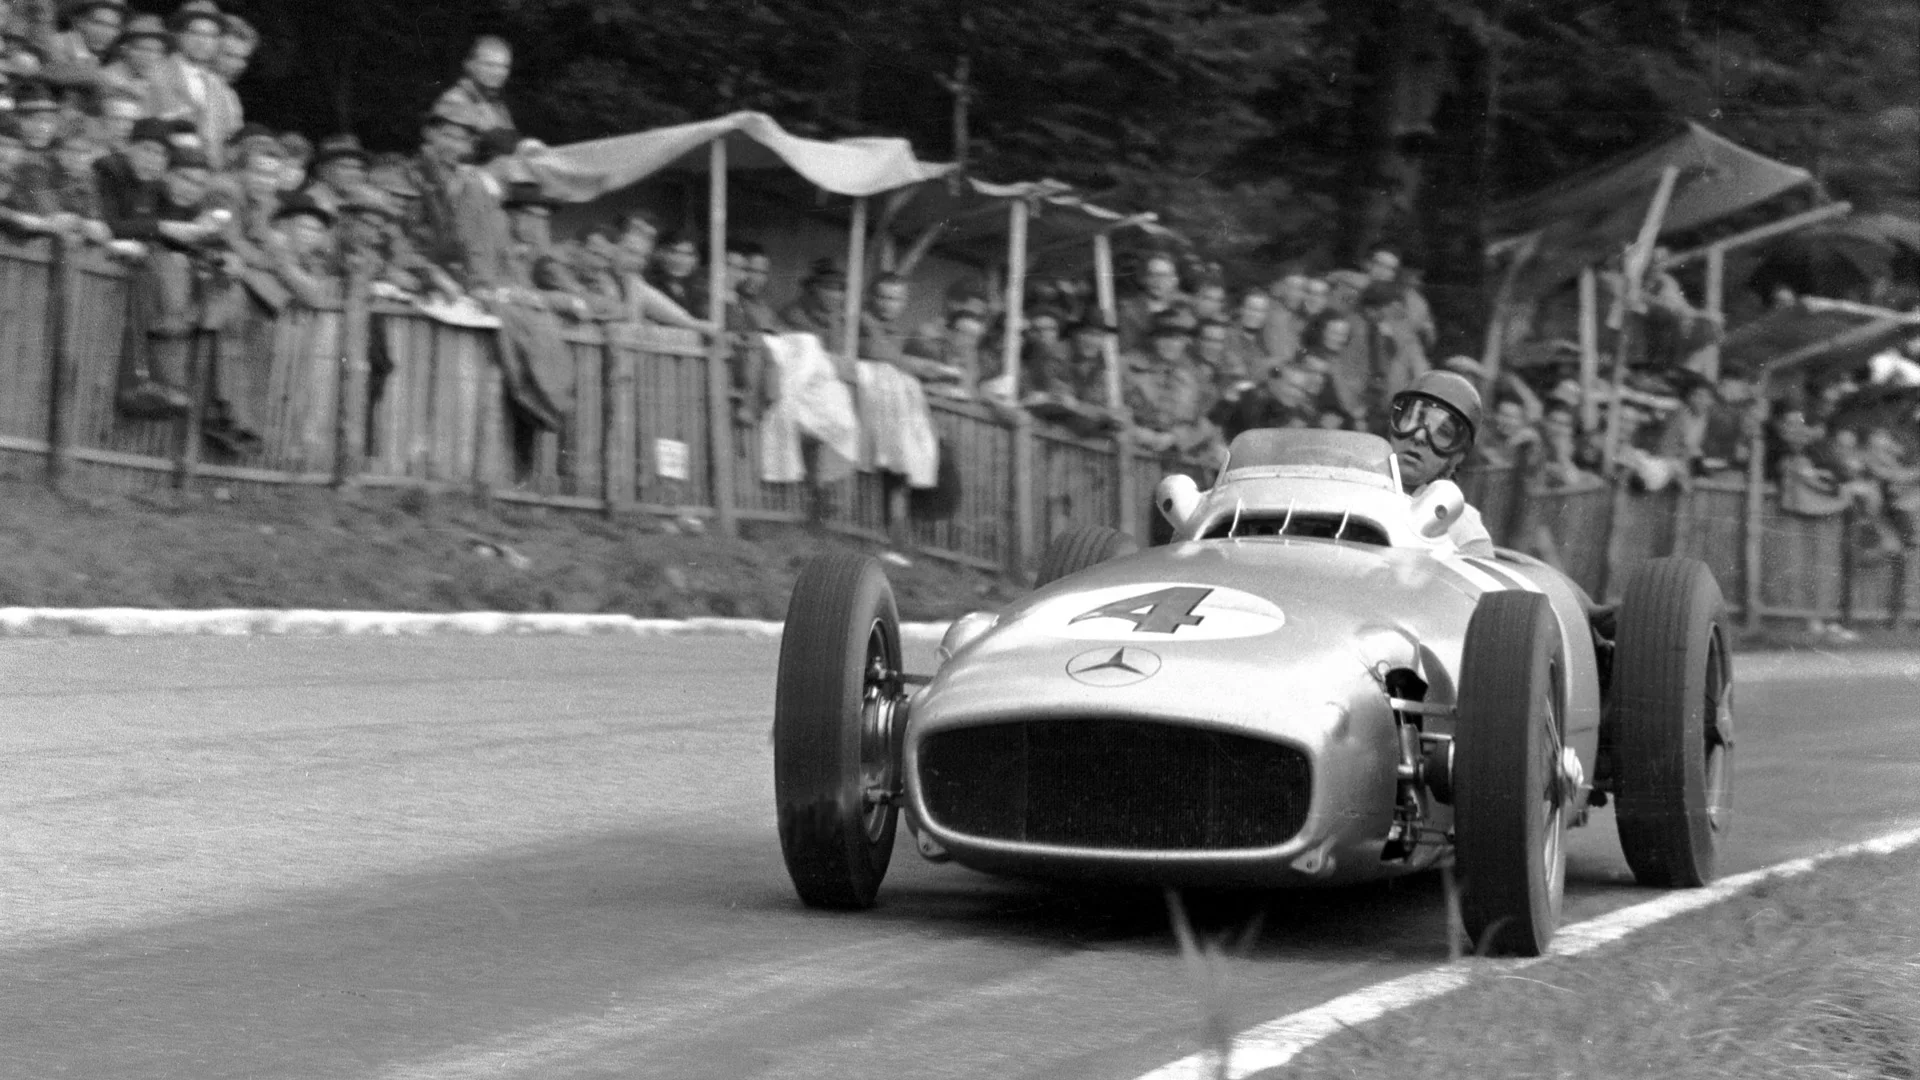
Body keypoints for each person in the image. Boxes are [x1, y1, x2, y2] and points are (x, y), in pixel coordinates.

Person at [1386, 370, 1494, 556]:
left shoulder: (1463, 529)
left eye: (1442, 432)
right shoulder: (1355, 487)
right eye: (1412, 418)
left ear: (1457, 455)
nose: (1419, 436)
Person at [435, 35, 515, 136]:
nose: (498, 72)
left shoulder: (496, 103)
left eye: (504, 66)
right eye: (490, 65)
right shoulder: (455, 101)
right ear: (469, 65)